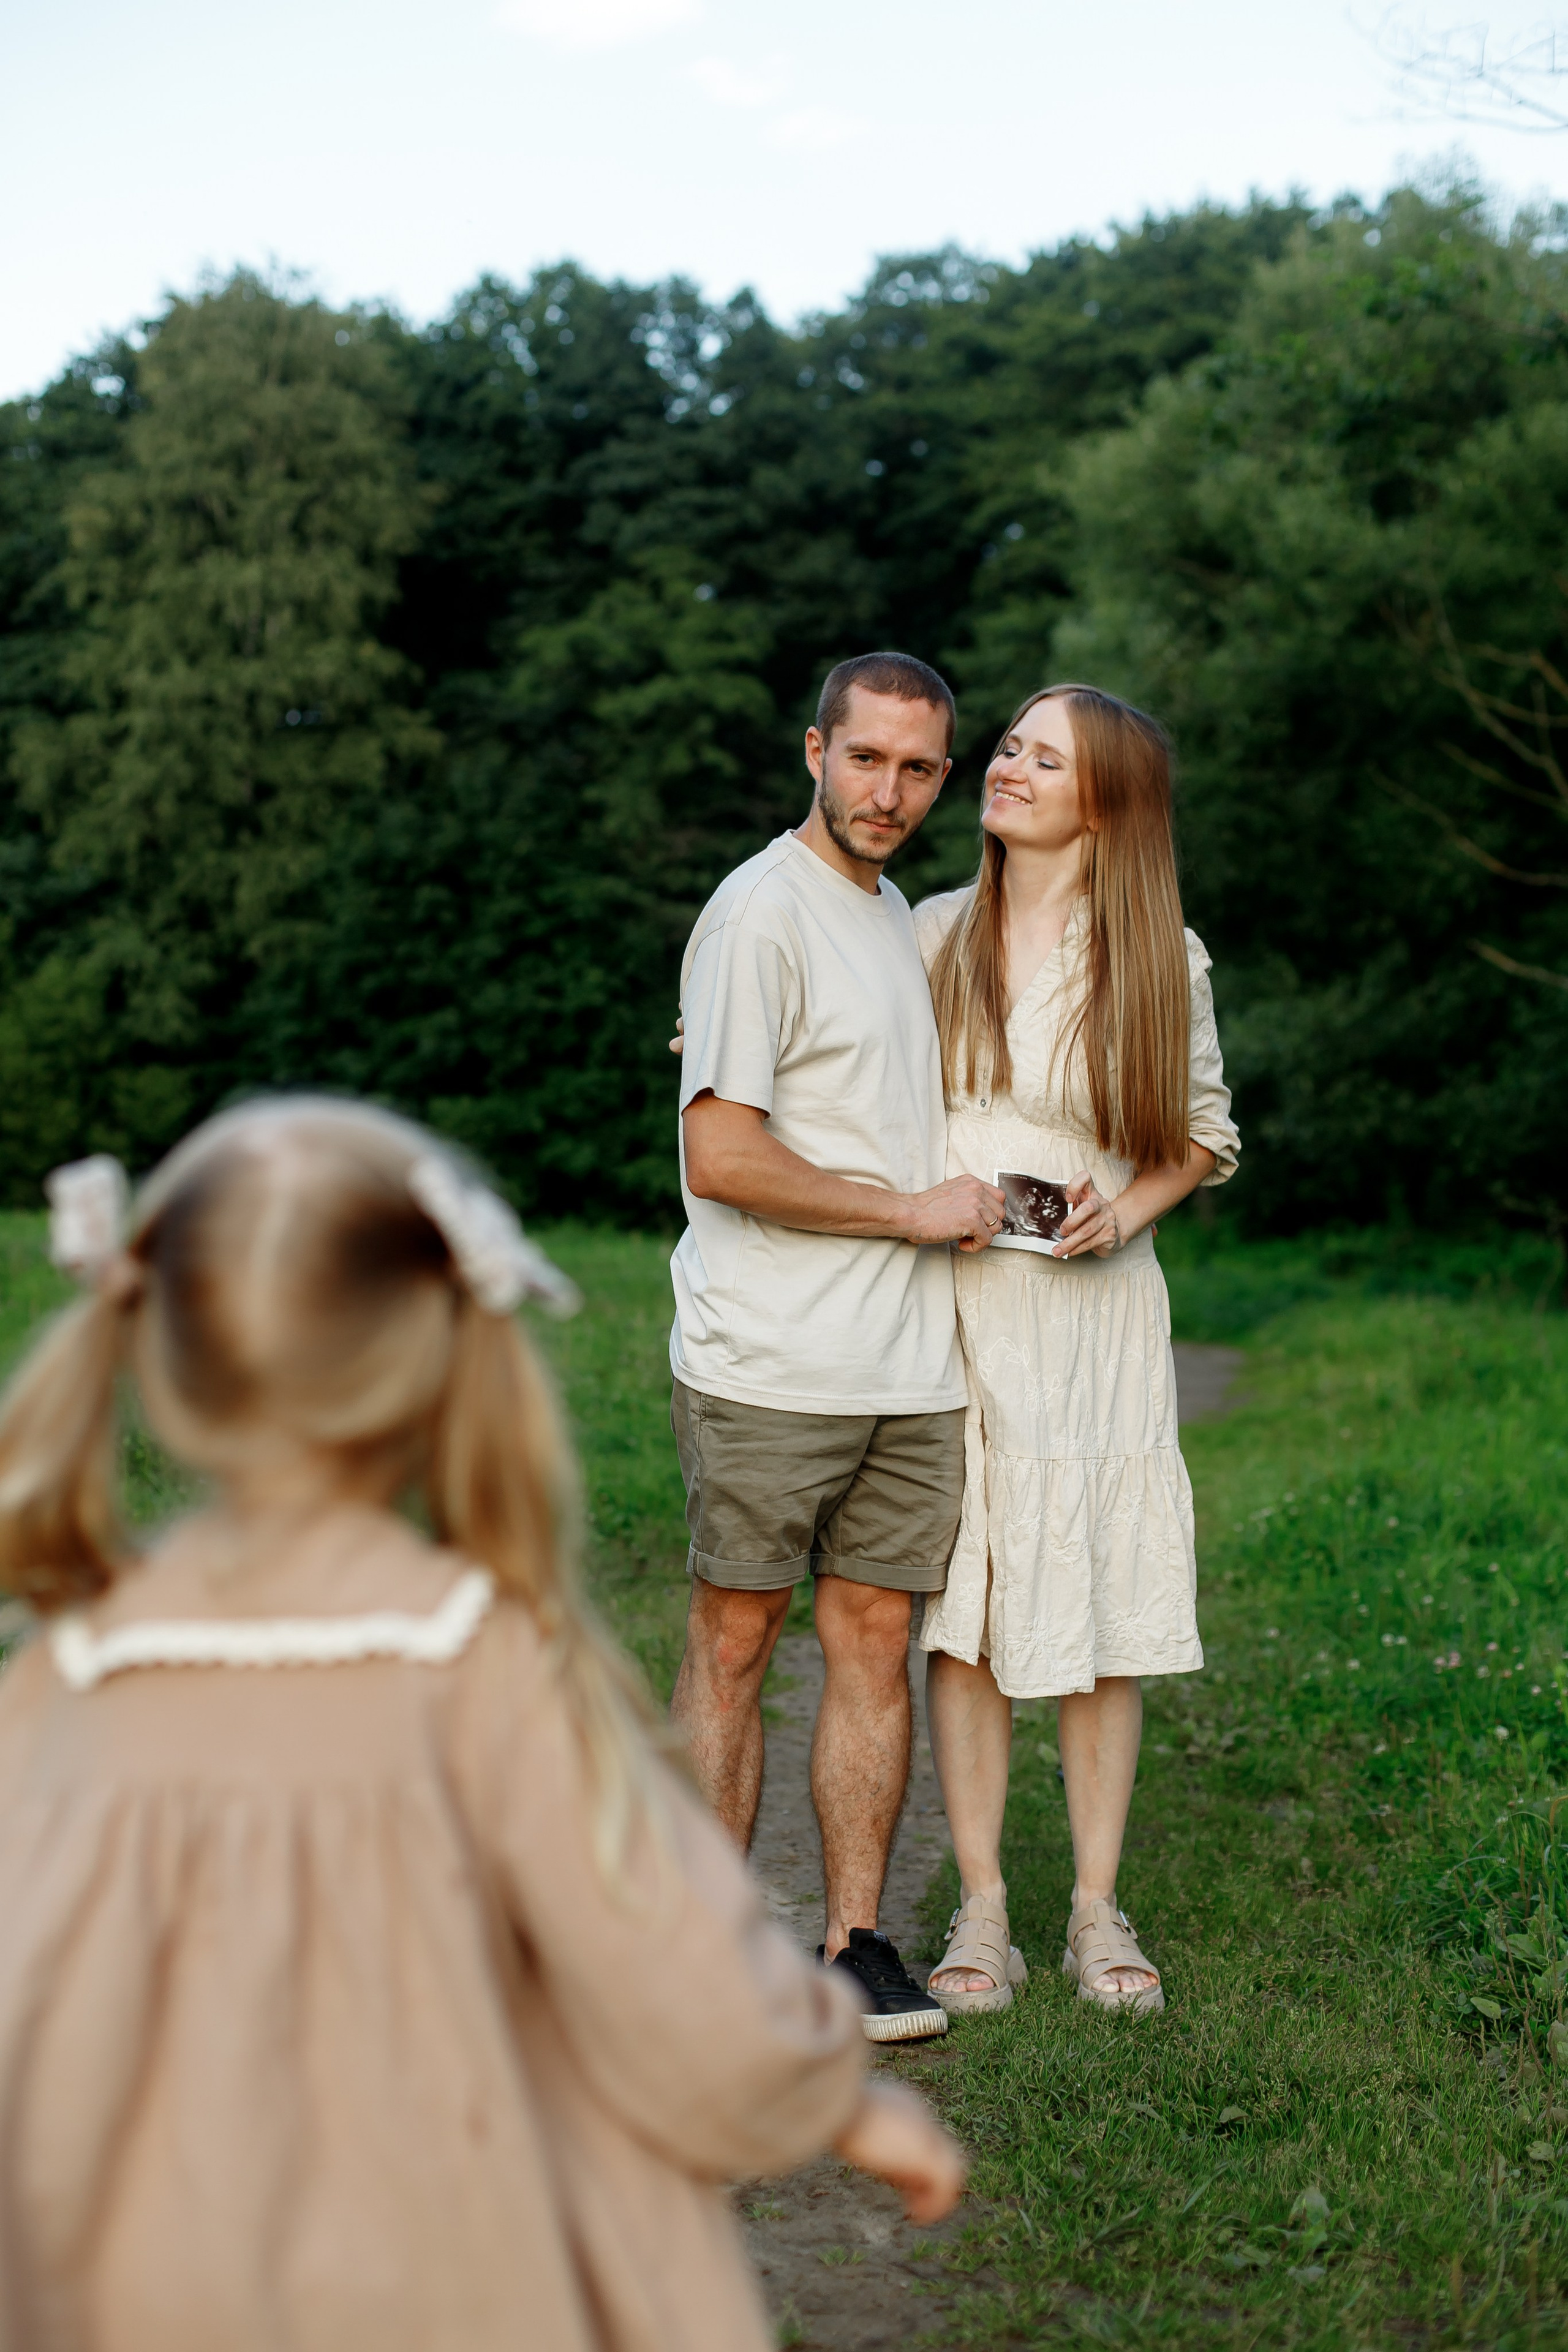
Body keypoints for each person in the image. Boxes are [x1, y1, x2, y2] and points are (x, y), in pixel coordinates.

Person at [0, 1099, 963, 2352]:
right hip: (442, 2253)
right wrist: (820, 2099)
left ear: (157, 1349)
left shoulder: (67, 1669)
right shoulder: (477, 1658)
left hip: (139, 2258)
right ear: (437, 1359)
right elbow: (653, 1944)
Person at [668, 650, 1007, 2043]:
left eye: (917, 767)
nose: (888, 789)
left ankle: (855, 1943)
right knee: (736, 1644)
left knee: (871, 1641)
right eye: (864, 758)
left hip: (905, 1368)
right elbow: (720, 1153)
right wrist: (909, 1214)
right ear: (813, 752)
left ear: (945, 776)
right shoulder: (760, 915)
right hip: (766, 1359)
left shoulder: (889, 919)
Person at [914, 685, 1240, 2017]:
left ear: (1102, 803)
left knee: (1097, 1611)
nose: (1006, 767)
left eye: (1041, 758)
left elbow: (1202, 1135)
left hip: (1089, 1316)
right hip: (944, 1312)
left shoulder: (1160, 954)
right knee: (968, 1614)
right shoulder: (925, 930)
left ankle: (1093, 1910)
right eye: (1007, 747)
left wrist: (1129, 1206)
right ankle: (980, 1907)